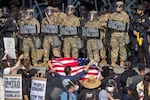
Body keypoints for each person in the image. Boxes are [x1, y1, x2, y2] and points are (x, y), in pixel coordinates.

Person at [109, 1, 130, 67]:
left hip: (122, 34)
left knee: (122, 49)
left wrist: (125, 34)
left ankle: (122, 62)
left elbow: (127, 25)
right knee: (114, 48)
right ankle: (113, 62)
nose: (118, 8)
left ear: (122, 7)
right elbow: (109, 24)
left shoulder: (125, 15)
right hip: (114, 34)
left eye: (119, 6)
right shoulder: (112, 15)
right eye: (117, 6)